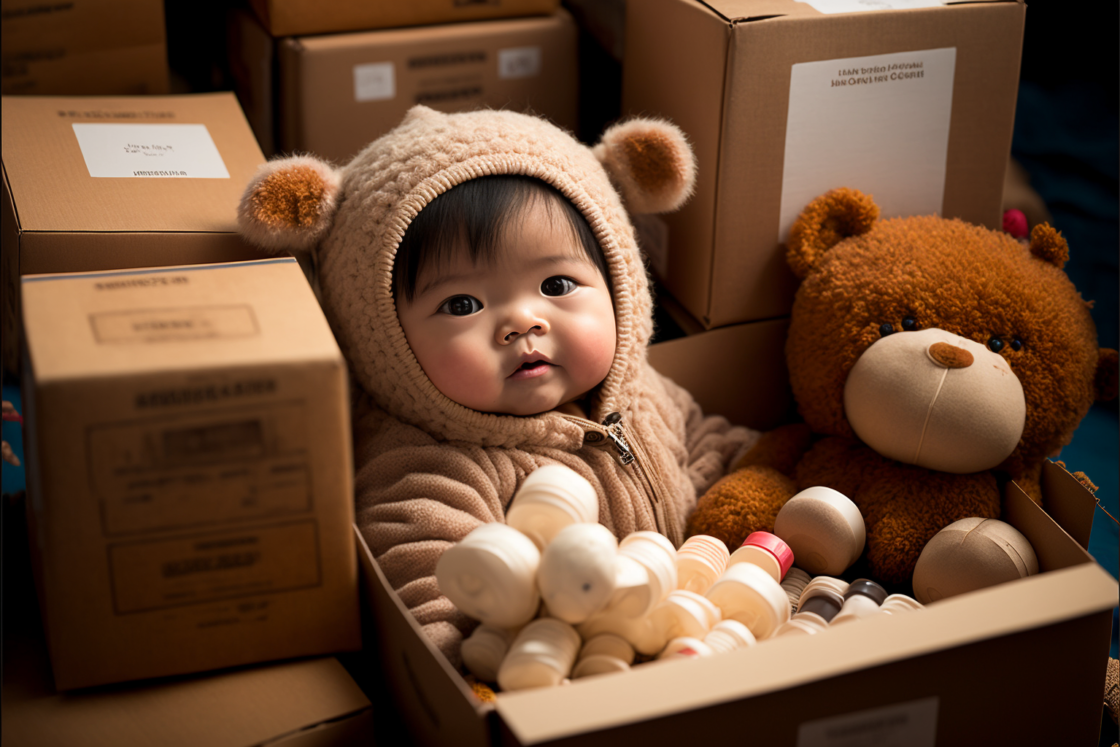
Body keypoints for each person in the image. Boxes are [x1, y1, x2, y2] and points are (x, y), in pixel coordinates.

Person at [238, 106, 759, 664]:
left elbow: (717, 449)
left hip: (701, 632)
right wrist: (477, 677)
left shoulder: (641, 394)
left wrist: (758, 495)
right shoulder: (430, 469)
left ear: (619, 282)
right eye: (462, 304)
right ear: (381, 337)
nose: (523, 323)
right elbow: (430, 596)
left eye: (557, 283)